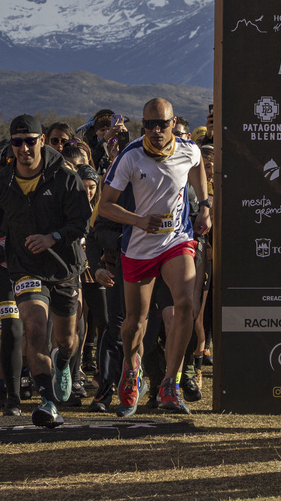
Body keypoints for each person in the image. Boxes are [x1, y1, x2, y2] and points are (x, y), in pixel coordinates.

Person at [97, 97, 210, 416]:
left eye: (162, 124)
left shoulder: (188, 149)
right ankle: (131, 371)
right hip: (140, 245)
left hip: (176, 240)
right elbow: (105, 205)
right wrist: (138, 220)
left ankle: (171, 384)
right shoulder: (131, 156)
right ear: (142, 126)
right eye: (149, 125)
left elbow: (198, 166)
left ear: (173, 123)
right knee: (135, 321)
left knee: (185, 305)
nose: (156, 131)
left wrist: (205, 204)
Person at [0, 114, 92, 427]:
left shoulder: (65, 177)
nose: (24, 148)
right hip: (24, 266)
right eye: (17, 142)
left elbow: (82, 222)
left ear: (41, 140)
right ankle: (47, 402)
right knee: (35, 328)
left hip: (64, 266)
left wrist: (53, 237)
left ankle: (63, 362)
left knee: (66, 340)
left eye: (30, 141)